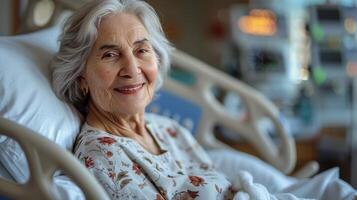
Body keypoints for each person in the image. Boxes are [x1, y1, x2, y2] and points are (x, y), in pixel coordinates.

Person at [51, 0, 357, 199]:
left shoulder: (167, 130)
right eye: (110, 54)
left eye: (142, 50)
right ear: (81, 77)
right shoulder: (103, 157)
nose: (133, 69)